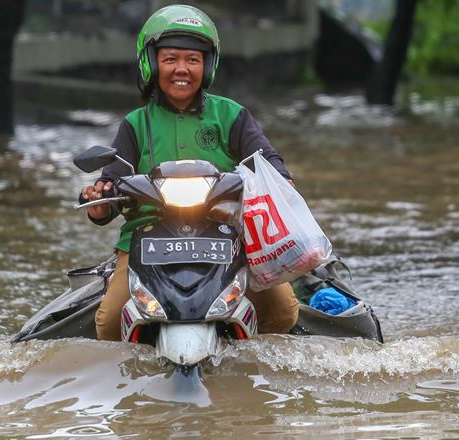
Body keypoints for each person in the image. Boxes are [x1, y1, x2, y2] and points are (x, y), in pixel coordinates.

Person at [80, 4, 299, 341]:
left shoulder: (232, 115)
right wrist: (99, 200)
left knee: (283, 310)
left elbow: (267, 159)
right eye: (170, 59)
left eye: (192, 60)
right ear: (151, 63)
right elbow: (110, 183)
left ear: (207, 66)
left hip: (225, 235)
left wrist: (281, 179)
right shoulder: (136, 124)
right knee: (108, 326)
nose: (181, 69)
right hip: (149, 239)